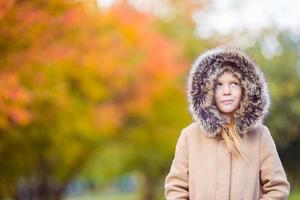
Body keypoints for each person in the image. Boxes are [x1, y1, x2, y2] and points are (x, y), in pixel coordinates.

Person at [164, 46, 290, 200]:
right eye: (219, 85)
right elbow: (176, 188)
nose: (226, 91)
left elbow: (277, 188)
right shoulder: (190, 136)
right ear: (206, 89)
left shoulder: (260, 136)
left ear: (246, 88)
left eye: (234, 84)